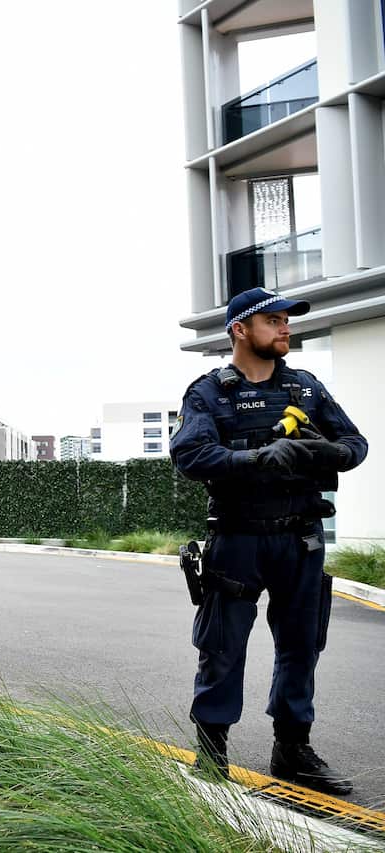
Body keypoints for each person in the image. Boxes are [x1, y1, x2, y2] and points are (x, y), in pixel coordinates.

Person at [170, 286, 367, 794]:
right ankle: (211, 757)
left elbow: (354, 445)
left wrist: (313, 452)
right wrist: (254, 459)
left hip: (300, 539)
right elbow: (189, 455)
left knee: (301, 646)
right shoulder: (209, 392)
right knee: (222, 647)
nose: (286, 328)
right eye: (274, 321)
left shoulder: (306, 389)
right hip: (238, 539)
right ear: (240, 329)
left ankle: (292, 750)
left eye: (286, 320)